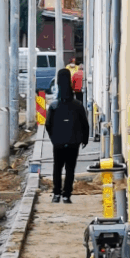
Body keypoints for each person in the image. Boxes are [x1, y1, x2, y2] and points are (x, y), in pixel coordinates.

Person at [45, 69, 89, 203]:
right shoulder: (78, 105)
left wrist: (54, 137)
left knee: (57, 168)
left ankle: (56, 194)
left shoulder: (54, 106)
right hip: (73, 142)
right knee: (70, 168)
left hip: (58, 142)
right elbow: (85, 124)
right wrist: (84, 139)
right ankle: (66, 195)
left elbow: (48, 125)